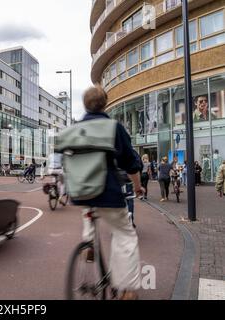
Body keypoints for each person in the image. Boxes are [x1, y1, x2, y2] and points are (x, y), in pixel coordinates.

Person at [71, 85, 144, 300]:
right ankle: (128, 289)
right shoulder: (113, 128)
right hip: (108, 191)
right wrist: (138, 186)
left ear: (85, 105)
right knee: (125, 234)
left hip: (82, 190)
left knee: (89, 211)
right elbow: (130, 163)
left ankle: (88, 243)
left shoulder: (75, 129)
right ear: (105, 104)